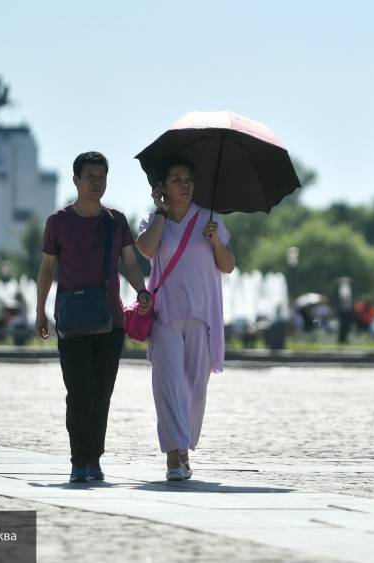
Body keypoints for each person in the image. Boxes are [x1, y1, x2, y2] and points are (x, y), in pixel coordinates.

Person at [35, 151, 152, 484]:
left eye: (101, 177)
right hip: (71, 321)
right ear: (76, 180)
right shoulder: (58, 222)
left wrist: (141, 291)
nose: (96, 183)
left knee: (102, 392)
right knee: (78, 392)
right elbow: (46, 268)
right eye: (89, 177)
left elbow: (129, 262)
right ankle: (78, 460)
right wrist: (40, 309)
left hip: (110, 320)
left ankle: (94, 459)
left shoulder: (115, 221)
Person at [135, 156, 235, 481]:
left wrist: (216, 240)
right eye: (177, 179)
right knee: (168, 384)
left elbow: (228, 265)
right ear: (163, 187)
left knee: (195, 387)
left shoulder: (210, 219)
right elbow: (146, 249)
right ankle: (173, 456)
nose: (186, 184)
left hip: (201, 316)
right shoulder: (152, 220)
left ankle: (185, 447)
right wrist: (161, 214)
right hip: (165, 315)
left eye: (189, 179)